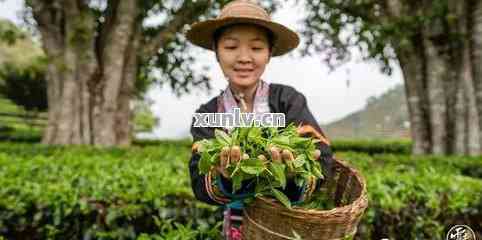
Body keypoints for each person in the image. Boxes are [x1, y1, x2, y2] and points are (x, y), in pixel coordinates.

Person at [185, 1, 334, 239]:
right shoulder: (207, 114)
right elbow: (199, 180)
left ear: (269, 53)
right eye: (231, 46)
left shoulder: (288, 101)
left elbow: (321, 159)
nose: (244, 58)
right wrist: (224, 176)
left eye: (256, 48)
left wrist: (293, 175)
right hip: (236, 228)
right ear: (216, 51)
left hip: (287, 226)